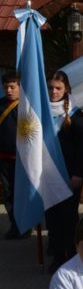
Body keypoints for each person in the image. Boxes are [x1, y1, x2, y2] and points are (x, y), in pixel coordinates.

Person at [47, 70, 83, 272]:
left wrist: (79, 174)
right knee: (52, 217)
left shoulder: (74, 113)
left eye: (58, 88)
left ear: (66, 90)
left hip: (69, 175)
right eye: (50, 88)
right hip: (47, 174)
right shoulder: (40, 110)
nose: (53, 91)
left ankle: (71, 257)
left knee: (68, 218)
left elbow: (82, 147)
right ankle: (56, 256)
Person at [0, 70, 26, 239]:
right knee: (8, 193)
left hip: (21, 160)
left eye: (12, 87)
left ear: (19, 87)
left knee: (21, 194)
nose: (8, 90)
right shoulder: (0, 105)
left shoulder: (25, 106)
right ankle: (15, 225)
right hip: (3, 159)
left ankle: (24, 225)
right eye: (5, 87)